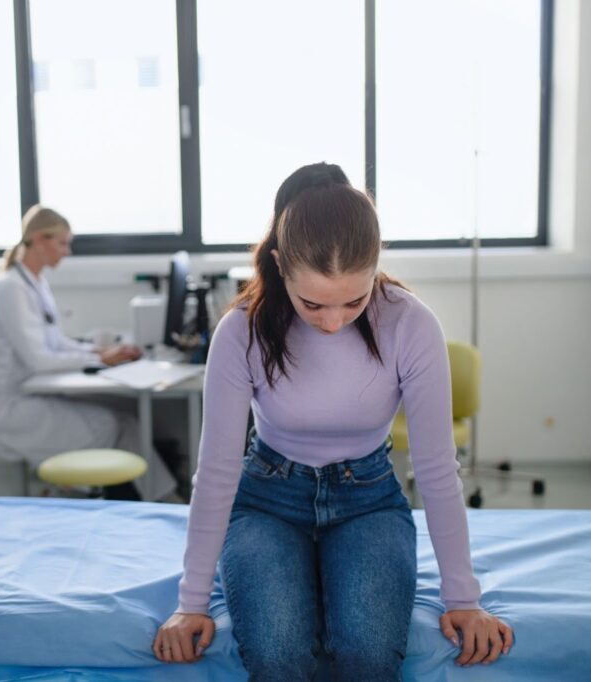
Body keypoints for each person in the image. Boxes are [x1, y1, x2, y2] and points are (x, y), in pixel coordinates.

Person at [153, 164, 513, 679]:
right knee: (279, 655)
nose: (333, 321)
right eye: (313, 303)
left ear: (375, 264)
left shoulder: (411, 324)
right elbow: (216, 470)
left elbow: (436, 468)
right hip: (266, 504)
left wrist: (464, 596)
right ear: (280, 265)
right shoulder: (242, 331)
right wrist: (191, 601)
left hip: (367, 502)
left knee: (367, 655)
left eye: (354, 300)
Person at [0, 204, 177, 501]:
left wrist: (99, 350)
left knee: (127, 420)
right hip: (9, 404)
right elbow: (38, 358)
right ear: (40, 239)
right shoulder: (11, 288)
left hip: (31, 390)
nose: (67, 252)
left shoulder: (35, 282)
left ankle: (167, 502)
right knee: (108, 424)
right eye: (62, 243)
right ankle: (113, 501)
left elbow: (55, 340)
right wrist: (98, 359)